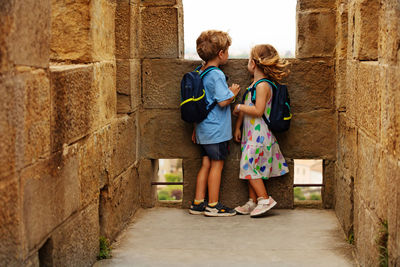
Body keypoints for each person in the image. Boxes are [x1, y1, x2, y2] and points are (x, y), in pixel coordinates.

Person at [232, 44, 290, 218]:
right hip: (251, 134)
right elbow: (249, 106)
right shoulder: (254, 85)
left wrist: (238, 106)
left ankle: (265, 199)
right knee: (254, 167)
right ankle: (253, 201)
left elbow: (258, 110)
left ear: (254, 63)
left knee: (249, 165)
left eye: (249, 59)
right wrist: (238, 126)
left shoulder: (263, 86)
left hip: (260, 135)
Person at [189, 30, 240, 217]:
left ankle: (197, 203)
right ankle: (213, 205)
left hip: (203, 128)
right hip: (216, 130)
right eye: (227, 51)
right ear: (221, 54)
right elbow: (223, 101)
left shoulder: (200, 71)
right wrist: (233, 92)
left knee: (205, 164)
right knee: (217, 165)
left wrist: (195, 128)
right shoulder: (216, 74)